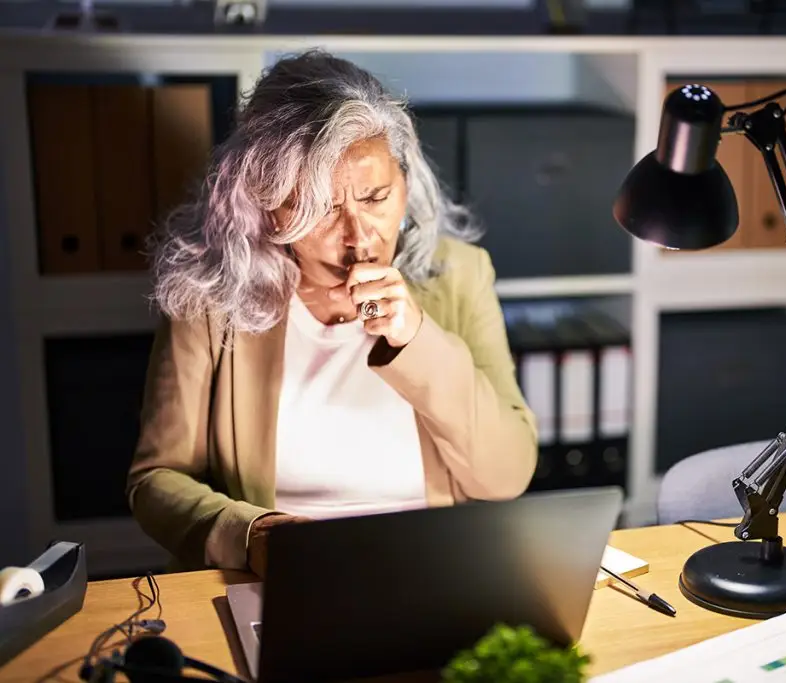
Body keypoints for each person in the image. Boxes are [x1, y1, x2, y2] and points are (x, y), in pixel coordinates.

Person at [126, 50, 539, 577]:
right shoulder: (210, 295)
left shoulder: (459, 275)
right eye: (320, 208)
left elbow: (507, 476)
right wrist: (252, 535)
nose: (360, 237)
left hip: (429, 570)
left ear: (405, 185)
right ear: (265, 203)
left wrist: (416, 339)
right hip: (279, 577)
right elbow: (155, 479)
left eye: (376, 197)